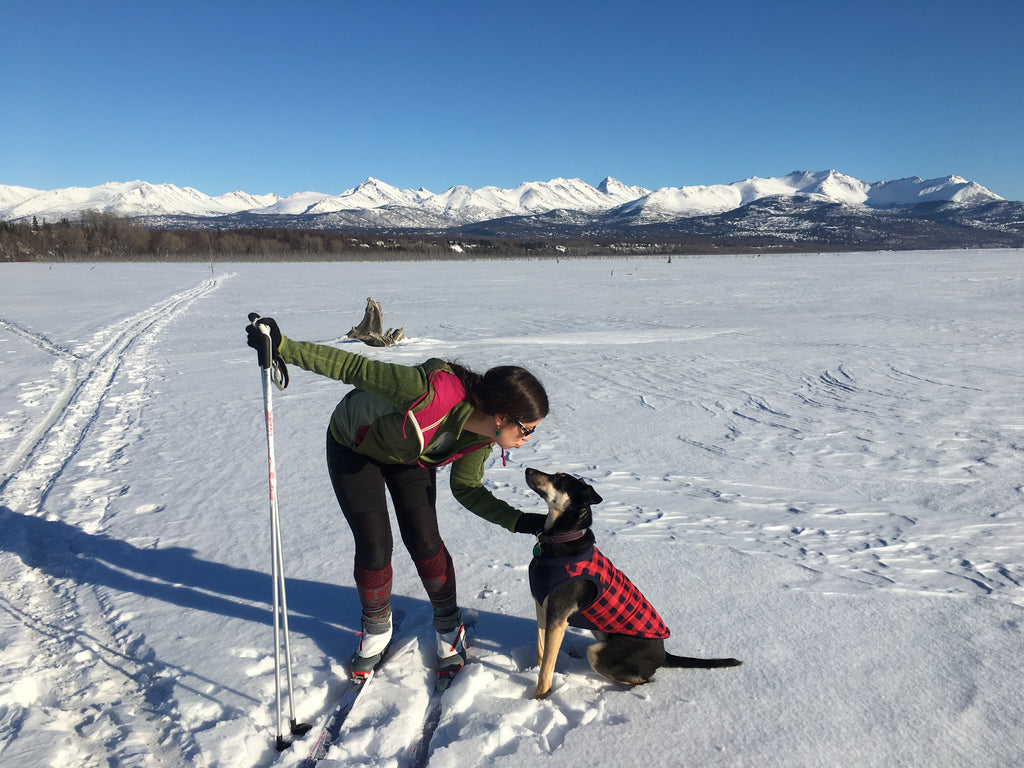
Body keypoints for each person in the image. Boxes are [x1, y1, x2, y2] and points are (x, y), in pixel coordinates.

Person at [245, 314, 549, 684]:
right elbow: (352, 366)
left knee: (425, 541)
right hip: (354, 444)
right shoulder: (427, 391)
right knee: (374, 545)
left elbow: (467, 489)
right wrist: (283, 347)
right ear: (502, 417)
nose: (527, 438)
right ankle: (376, 629)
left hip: (408, 456)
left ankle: (449, 627)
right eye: (527, 429)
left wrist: (523, 522)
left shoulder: (481, 437)